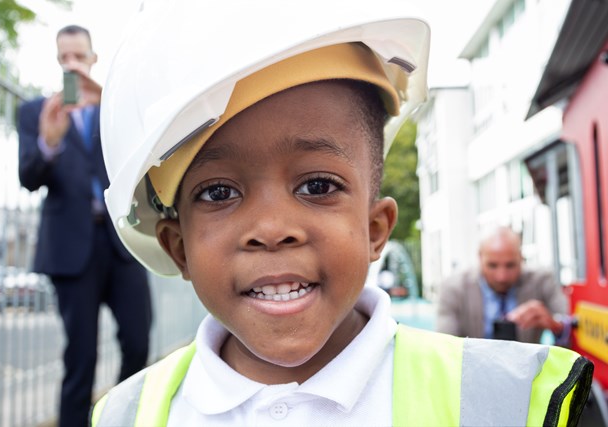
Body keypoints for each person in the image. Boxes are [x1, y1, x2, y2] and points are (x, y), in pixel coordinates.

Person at [91, 2, 592, 425]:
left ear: (376, 230)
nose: (271, 230)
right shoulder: (125, 415)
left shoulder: (519, 402)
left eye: (316, 185)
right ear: (178, 247)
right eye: (218, 192)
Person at [16, 25, 152, 427]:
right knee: (81, 357)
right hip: (70, 249)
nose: (71, 65)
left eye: (79, 57)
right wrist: (49, 143)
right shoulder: (36, 113)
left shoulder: (115, 109)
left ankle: (124, 419)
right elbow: (27, 177)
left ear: (93, 59)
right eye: (64, 59)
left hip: (119, 241)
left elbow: (144, 153)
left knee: (138, 342)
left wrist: (110, 101)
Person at [436, 226, 570, 344]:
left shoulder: (542, 281)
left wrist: (556, 326)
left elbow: (573, 329)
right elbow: (444, 347)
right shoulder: (453, 288)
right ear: (479, 257)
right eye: (492, 265)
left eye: (510, 265)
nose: (502, 277)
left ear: (521, 258)